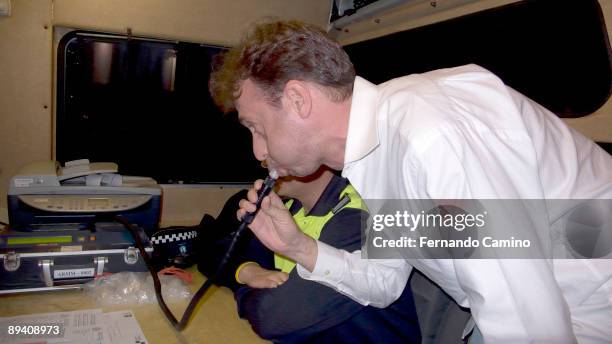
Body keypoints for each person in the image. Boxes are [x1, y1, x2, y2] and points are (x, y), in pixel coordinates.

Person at [208, 20, 612, 343]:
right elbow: (385, 281)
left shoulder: (429, 135)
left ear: (297, 99)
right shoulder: (375, 157)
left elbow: (522, 311)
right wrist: (298, 246)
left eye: (256, 127)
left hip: (590, 315)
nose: (258, 151)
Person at [211, 167, 421, 343]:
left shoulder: (358, 215)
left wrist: (244, 291)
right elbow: (215, 254)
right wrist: (248, 271)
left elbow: (274, 316)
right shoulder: (291, 209)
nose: (262, 157)